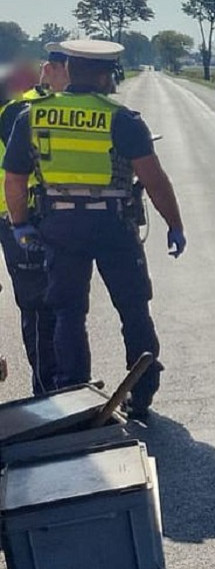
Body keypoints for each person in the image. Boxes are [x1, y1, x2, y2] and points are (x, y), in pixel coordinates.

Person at [2, 40, 186, 419]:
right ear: (105, 75)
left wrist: (21, 226)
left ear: (67, 70)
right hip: (114, 227)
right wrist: (174, 224)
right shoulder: (122, 119)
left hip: (59, 228)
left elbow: (15, 180)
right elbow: (154, 179)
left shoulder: (32, 116)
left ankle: (74, 395)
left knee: (68, 312)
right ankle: (142, 391)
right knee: (133, 308)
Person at [0, 46, 70, 395]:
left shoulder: (42, 104)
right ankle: (48, 396)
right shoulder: (21, 110)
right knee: (40, 306)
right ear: (52, 70)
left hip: (31, 215)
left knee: (52, 304)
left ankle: (56, 387)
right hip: (19, 216)